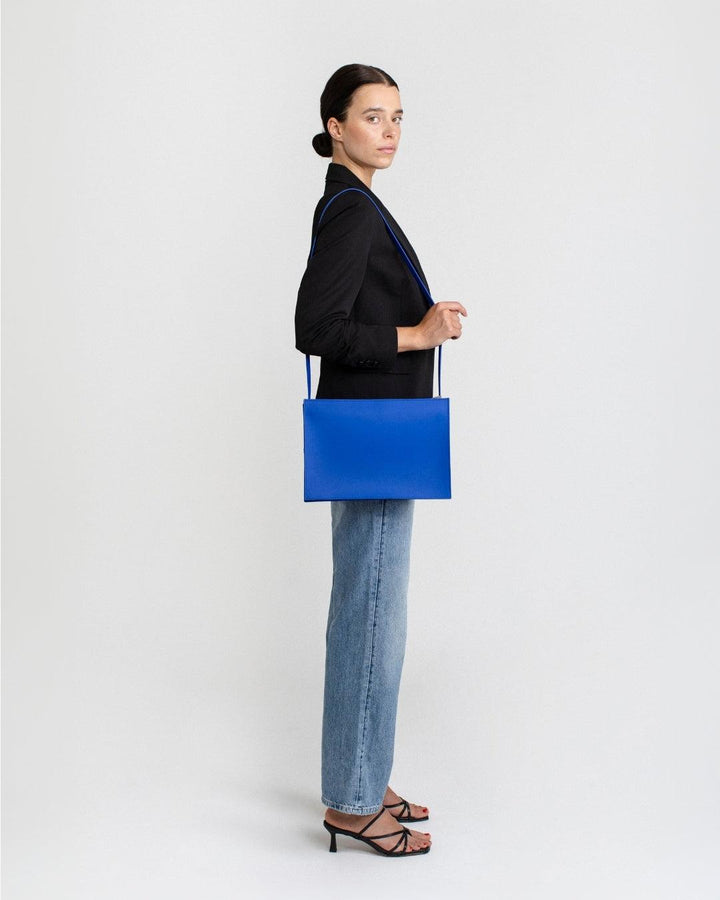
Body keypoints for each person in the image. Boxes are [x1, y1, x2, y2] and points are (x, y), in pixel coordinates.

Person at [294, 63, 467, 858]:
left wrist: (419, 318)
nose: (389, 130)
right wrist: (417, 334)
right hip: (377, 437)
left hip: (376, 435)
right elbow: (317, 329)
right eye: (372, 116)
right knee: (372, 614)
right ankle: (355, 801)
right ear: (335, 127)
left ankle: (362, 774)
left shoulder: (352, 201)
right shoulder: (352, 210)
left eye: (397, 116)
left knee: (366, 609)